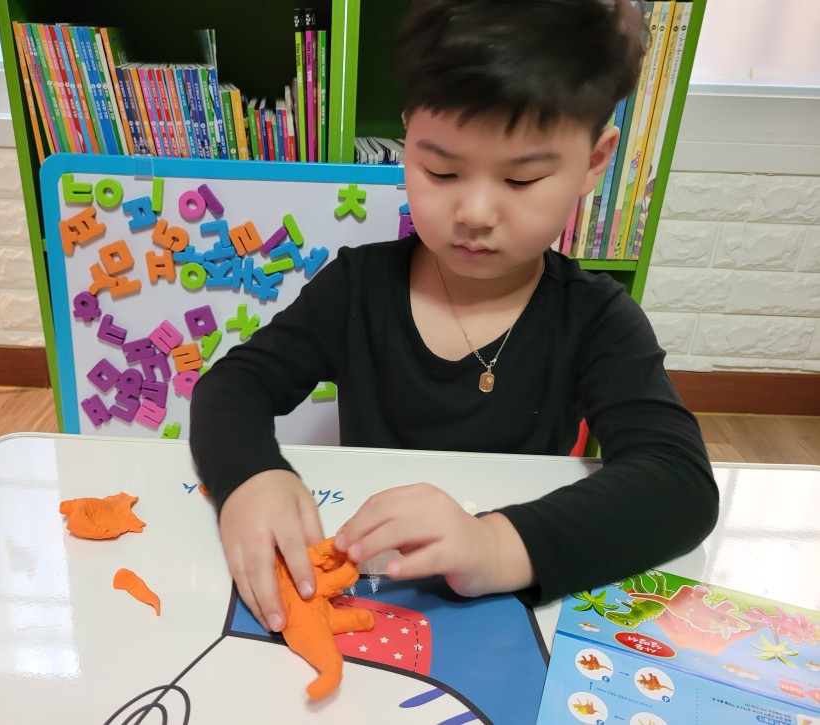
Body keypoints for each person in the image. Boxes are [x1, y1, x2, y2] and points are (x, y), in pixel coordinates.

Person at [189, 0, 718, 634]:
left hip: (498, 609)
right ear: (408, 135)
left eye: (522, 180)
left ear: (594, 162)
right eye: (441, 170)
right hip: (368, 589)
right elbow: (233, 385)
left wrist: (493, 545)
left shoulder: (596, 318)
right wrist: (251, 476)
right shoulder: (358, 287)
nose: (475, 213)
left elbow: (679, 483)